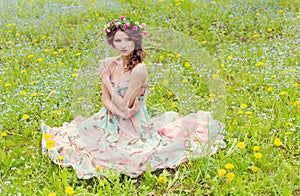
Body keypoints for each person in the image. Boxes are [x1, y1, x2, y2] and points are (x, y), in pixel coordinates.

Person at [41, 16, 225, 179]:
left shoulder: (139, 69)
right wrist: (113, 112)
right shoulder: (107, 63)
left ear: (135, 42)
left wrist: (106, 81)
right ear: (112, 43)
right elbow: (106, 102)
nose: (123, 45)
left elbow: (125, 105)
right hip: (108, 117)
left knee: (128, 153)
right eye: (118, 40)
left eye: (128, 40)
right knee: (75, 140)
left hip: (133, 125)